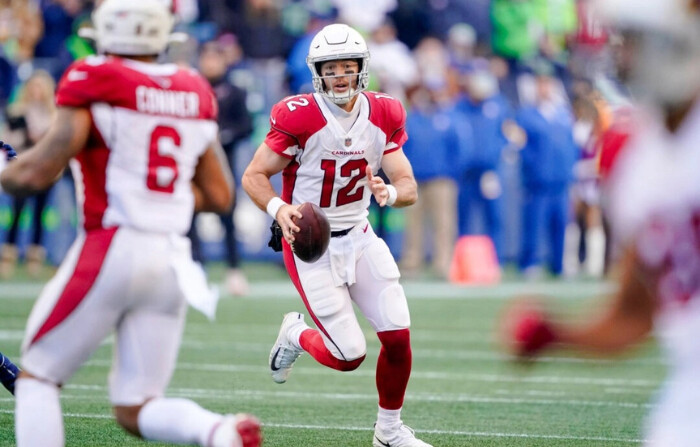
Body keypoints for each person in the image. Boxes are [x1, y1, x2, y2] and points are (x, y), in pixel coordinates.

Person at [0, 1, 262, 446]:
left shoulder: (94, 76)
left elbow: (34, 173)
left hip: (113, 245)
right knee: (136, 407)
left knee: (36, 379)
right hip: (173, 261)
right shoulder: (192, 86)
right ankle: (217, 431)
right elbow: (220, 195)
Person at [501, 0, 700, 445]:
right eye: (623, 43)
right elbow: (632, 316)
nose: (624, 56)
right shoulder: (636, 160)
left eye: (636, 42)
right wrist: (557, 335)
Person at [242, 23, 432, 447]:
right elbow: (254, 175)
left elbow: (409, 186)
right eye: (332, 69)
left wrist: (390, 192)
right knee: (349, 356)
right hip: (312, 245)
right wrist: (280, 207)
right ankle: (294, 334)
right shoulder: (300, 115)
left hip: (360, 234)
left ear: (362, 69)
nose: (341, 76)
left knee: (398, 336)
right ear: (318, 73)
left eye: (348, 66)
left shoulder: (384, 112)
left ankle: (389, 432)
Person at [1, 70, 57, 279]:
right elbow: (7, 141)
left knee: (39, 213)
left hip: (44, 169)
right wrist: (23, 136)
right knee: (17, 210)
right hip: (23, 167)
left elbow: (56, 142)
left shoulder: (53, 115)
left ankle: (35, 257)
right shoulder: (18, 112)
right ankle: (9, 255)